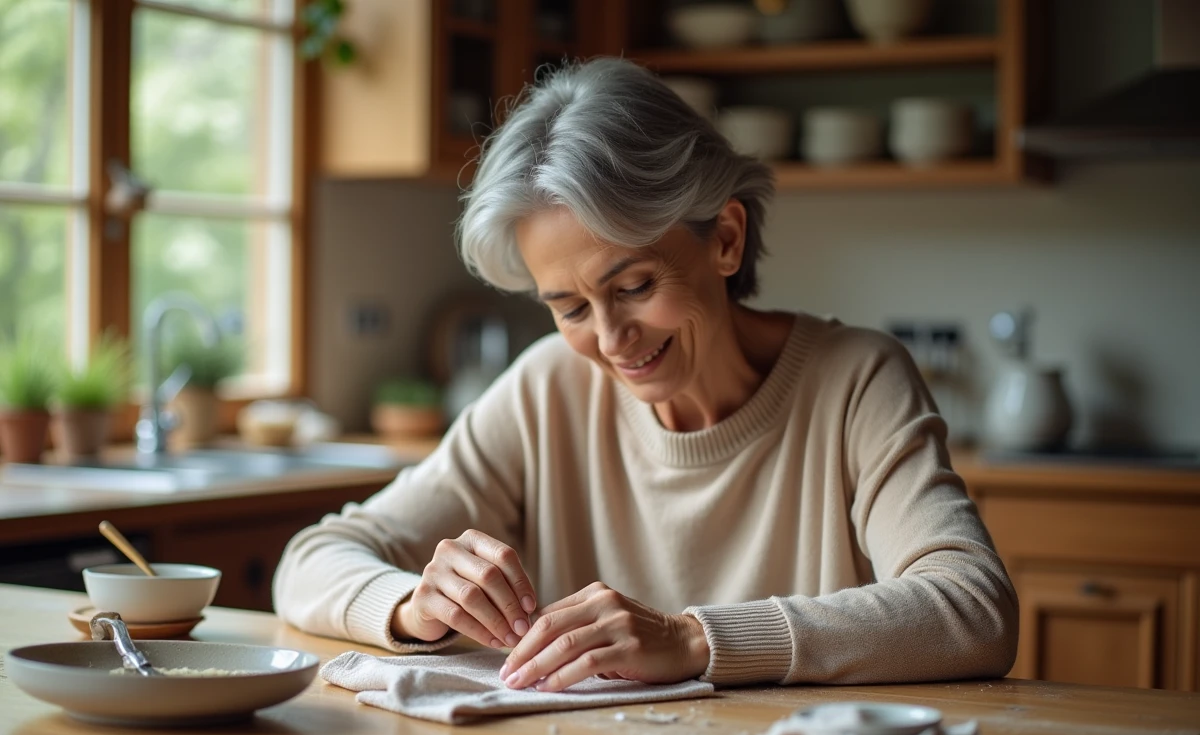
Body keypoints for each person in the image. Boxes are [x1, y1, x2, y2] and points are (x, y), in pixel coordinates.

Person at [274, 57, 1018, 692]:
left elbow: (972, 610)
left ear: (725, 238)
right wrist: (415, 606)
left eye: (633, 287)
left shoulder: (856, 381)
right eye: (567, 306)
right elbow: (309, 562)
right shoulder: (547, 389)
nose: (609, 338)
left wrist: (693, 640)